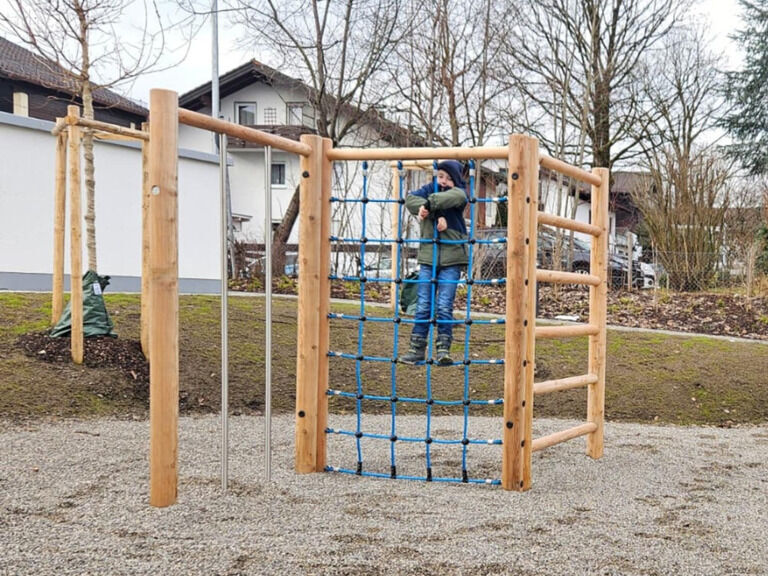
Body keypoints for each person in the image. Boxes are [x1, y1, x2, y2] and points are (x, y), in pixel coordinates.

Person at [400, 160, 468, 366]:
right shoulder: (431, 188)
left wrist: (430, 207)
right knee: (423, 305)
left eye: (449, 178)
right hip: (429, 258)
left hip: (451, 259)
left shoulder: (459, 193)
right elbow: (410, 199)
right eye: (440, 176)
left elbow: (455, 197)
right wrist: (428, 210)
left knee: (444, 306)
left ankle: (443, 350)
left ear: (456, 180)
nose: (443, 181)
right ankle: (416, 349)